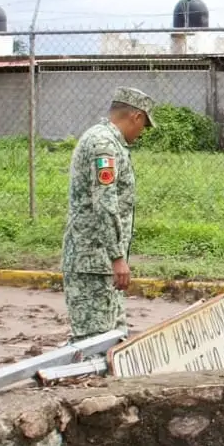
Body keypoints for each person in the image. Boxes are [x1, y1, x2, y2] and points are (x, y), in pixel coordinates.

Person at [62, 87, 155, 342]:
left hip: (101, 264)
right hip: (92, 263)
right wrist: (117, 257)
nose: (142, 132)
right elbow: (104, 202)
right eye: (144, 125)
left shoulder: (108, 141)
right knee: (93, 343)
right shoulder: (103, 144)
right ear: (135, 117)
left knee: (114, 341)